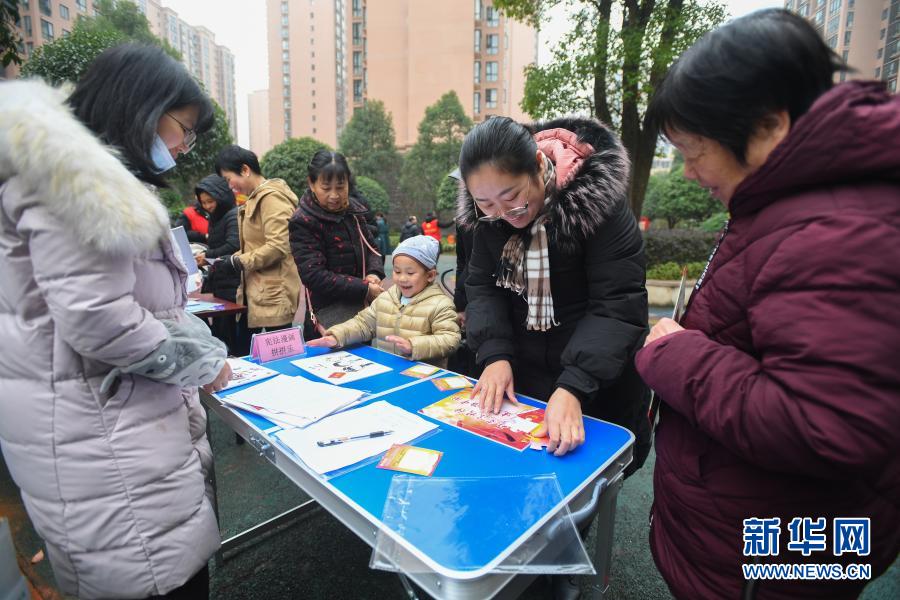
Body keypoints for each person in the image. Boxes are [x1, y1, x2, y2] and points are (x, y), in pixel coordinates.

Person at [637, 10, 900, 599]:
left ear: (770, 128)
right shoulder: (795, 204)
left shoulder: (835, 231)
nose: (688, 170)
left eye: (695, 148)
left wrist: (674, 355)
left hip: (779, 554)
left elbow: (827, 425)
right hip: (763, 526)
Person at [0, 44, 232, 599]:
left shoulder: (58, 171)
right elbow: (99, 316)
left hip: (99, 428)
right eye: (183, 128)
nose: (181, 145)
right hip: (107, 446)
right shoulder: (74, 177)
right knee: (156, 579)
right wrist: (201, 361)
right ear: (140, 105)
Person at [459, 116, 650, 467]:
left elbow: (617, 304)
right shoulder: (487, 221)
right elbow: (483, 287)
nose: (503, 214)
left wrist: (575, 385)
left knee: (583, 484)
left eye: (511, 197)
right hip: (524, 377)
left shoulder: (598, 207)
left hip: (596, 382)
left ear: (536, 165)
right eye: (485, 204)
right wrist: (495, 353)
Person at [308, 235, 461, 367]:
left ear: (430, 275)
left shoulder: (441, 305)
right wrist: (337, 336)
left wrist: (414, 346)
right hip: (389, 369)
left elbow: (450, 339)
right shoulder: (386, 298)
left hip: (423, 376)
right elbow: (363, 324)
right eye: (397, 271)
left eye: (410, 272)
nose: (402, 278)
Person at [289, 150, 386, 339]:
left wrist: (374, 274)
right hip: (327, 315)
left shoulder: (354, 213)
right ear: (311, 183)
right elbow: (314, 275)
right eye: (326, 188)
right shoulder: (303, 221)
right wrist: (365, 288)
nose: (334, 195)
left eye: (340, 187)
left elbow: (372, 249)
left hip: (360, 313)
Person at [215, 145, 301, 351]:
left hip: (274, 293)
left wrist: (238, 262)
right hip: (257, 290)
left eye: (228, 179)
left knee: (282, 360)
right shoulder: (256, 197)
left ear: (245, 170)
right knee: (250, 357)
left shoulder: (272, 198)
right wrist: (230, 258)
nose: (230, 186)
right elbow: (255, 245)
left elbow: (278, 246)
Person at [195, 174, 241, 349]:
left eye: (210, 201)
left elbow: (232, 245)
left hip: (232, 283)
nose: (207, 206)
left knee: (229, 333)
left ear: (220, 196)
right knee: (221, 332)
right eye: (203, 202)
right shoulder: (217, 217)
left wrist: (207, 256)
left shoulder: (231, 215)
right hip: (221, 283)